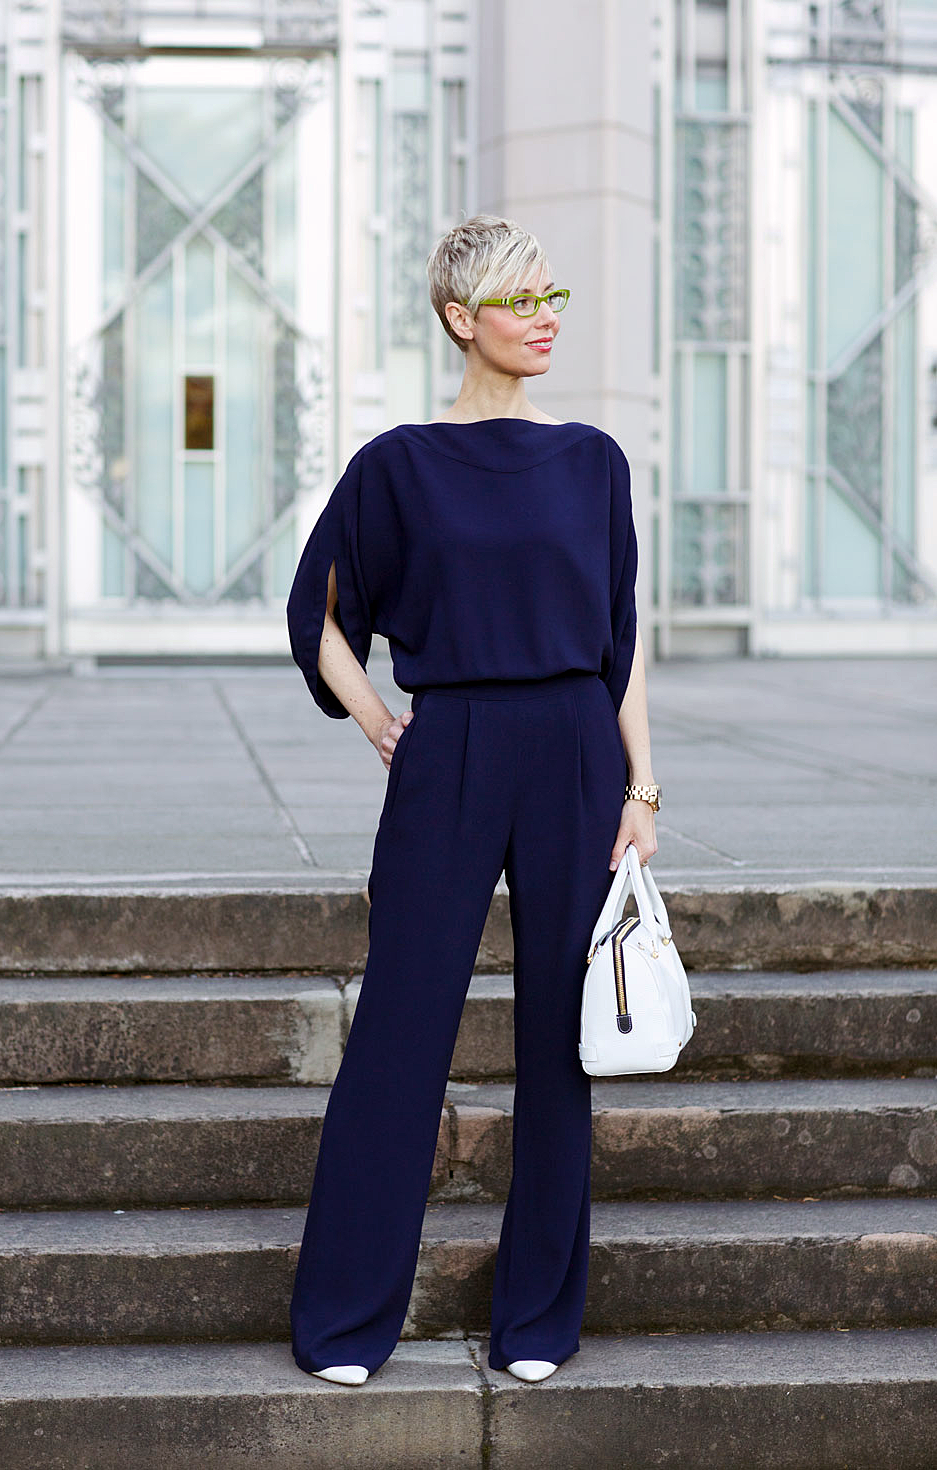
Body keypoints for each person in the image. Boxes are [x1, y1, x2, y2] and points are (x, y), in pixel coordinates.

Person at [285, 213, 659, 1387]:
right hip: (447, 749)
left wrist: (641, 785)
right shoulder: (396, 463)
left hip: (572, 751)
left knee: (561, 1044)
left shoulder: (593, 458)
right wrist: (378, 719)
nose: (544, 320)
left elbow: (621, 638)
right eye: (520, 302)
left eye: (553, 299)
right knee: (399, 1029)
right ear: (460, 318)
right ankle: (346, 1323)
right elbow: (320, 616)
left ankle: (536, 1321)